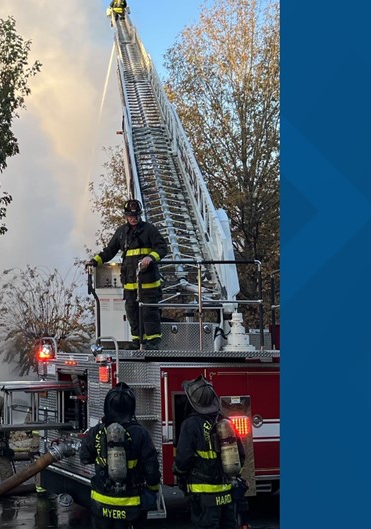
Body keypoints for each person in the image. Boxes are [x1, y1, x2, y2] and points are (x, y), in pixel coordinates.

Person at [87, 199, 169, 349]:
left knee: (149, 313)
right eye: (130, 215)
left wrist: (150, 257)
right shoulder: (121, 232)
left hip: (148, 283)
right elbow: (110, 251)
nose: (134, 218)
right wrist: (95, 261)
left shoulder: (149, 230)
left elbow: (162, 247)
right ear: (125, 215)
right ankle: (137, 342)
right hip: (130, 284)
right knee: (132, 313)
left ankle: (153, 343)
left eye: (136, 215)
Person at [78, 383, 161, 529]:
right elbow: (151, 469)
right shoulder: (140, 433)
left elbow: (84, 457)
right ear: (131, 408)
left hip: (101, 504)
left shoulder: (96, 431)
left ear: (107, 407)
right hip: (132, 504)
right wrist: (152, 490)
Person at [172, 378, 244, 529]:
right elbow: (241, 456)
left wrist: (178, 472)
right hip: (227, 494)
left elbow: (183, 459)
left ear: (193, 402)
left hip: (204, 496)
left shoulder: (190, 425)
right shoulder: (225, 421)